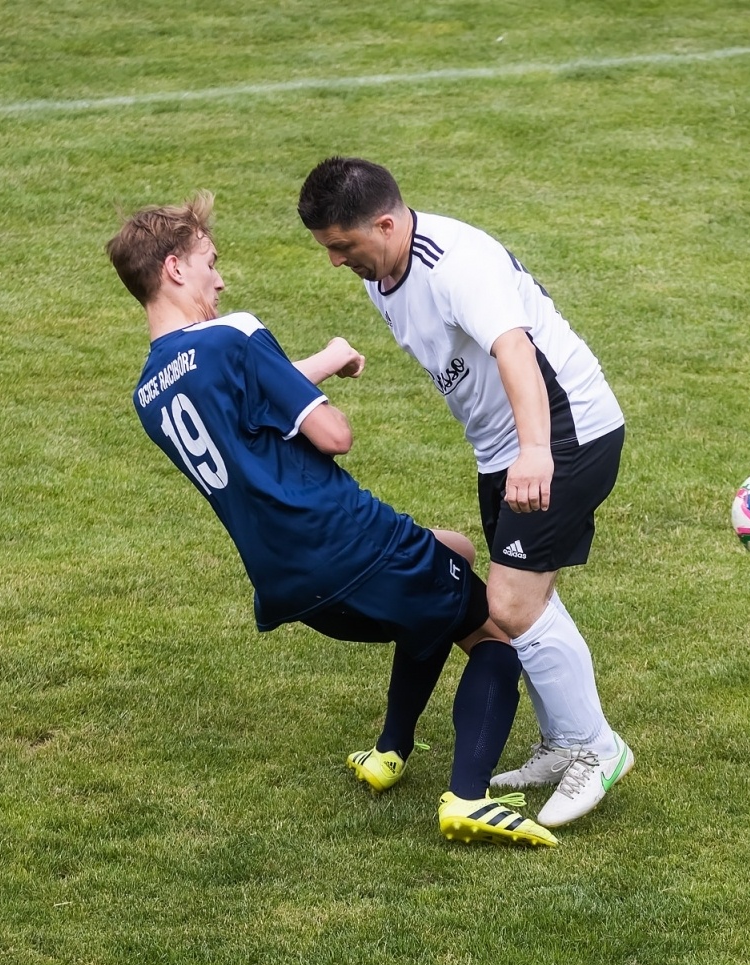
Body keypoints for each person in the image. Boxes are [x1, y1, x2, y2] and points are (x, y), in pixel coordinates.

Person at [107, 191, 556, 847]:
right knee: (495, 630)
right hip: (350, 542)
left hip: (289, 581)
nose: (220, 277)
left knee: (449, 556)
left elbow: (245, 411)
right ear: (174, 268)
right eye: (209, 262)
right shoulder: (234, 332)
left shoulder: (151, 391)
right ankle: (468, 796)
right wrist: (320, 393)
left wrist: (323, 358)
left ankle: (389, 752)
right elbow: (331, 433)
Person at [296, 157, 633, 828]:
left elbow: (514, 350)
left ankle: (599, 748)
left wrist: (536, 451)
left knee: (510, 601)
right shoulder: (382, 274)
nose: (335, 262)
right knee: (529, 601)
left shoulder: (457, 264)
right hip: (503, 447)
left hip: (563, 430)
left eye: (343, 245)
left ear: (385, 223)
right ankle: (566, 739)